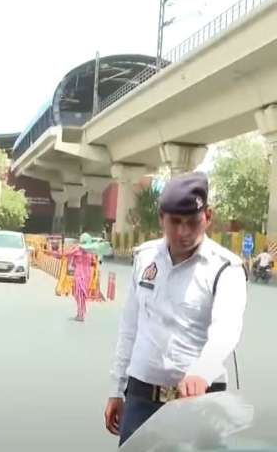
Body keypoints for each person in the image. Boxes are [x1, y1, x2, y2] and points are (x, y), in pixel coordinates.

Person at [103, 172, 248, 446]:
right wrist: (117, 389)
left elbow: (226, 329)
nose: (183, 232)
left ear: (208, 217)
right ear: (161, 218)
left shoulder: (225, 268)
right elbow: (130, 328)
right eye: (175, 222)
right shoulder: (145, 258)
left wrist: (202, 371)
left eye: (192, 222)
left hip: (201, 401)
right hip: (142, 399)